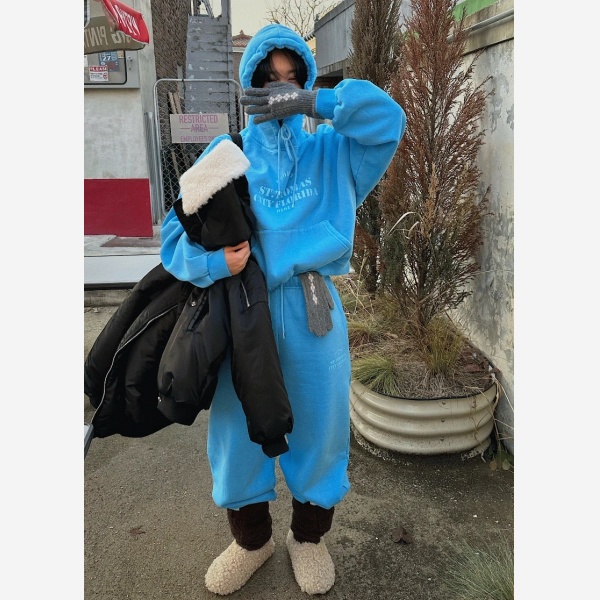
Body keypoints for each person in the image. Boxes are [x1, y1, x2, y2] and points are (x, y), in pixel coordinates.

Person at [160, 23, 406, 596]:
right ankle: (252, 541)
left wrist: (317, 103)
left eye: (293, 78)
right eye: (268, 79)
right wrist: (215, 262)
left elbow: (389, 120)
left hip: (312, 307)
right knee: (236, 432)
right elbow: (173, 237)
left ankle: (308, 539)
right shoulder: (227, 156)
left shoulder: (333, 152)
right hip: (239, 310)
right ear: (248, 82)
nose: (280, 90)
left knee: (321, 427)